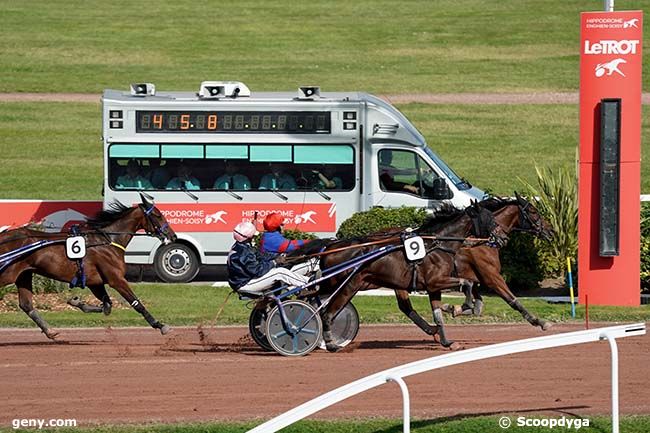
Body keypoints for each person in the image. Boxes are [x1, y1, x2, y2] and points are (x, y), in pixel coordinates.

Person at [226, 221, 309, 295]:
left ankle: (295, 288)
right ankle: (309, 282)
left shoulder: (242, 246)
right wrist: (274, 262)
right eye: (253, 236)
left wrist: (280, 256)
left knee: (278, 270)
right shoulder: (243, 252)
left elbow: (261, 256)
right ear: (248, 237)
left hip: (246, 280)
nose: (254, 238)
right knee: (279, 272)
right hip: (245, 284)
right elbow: (258, 271)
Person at [259, 213, 320, 277]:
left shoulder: (269, 235)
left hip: (273, 266)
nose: (284, 226)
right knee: (313, 264)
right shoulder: (272, 238)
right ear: (278, 226)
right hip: (272, 270)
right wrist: (313, 242)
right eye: (282, 224)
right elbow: (292, 246)